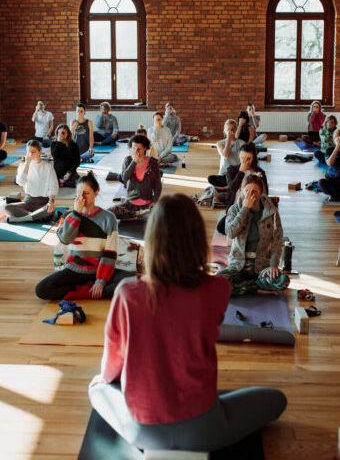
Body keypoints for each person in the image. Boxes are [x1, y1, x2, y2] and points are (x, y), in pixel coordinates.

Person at [88, 193, 286, 452]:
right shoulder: (218, 290)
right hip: (203, 428)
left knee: (97, 388)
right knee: (276, 400)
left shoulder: (127, 293)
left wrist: (107, 382)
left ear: (153, 241)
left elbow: (112, 365)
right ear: (196, 241)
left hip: (141, 430)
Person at [35, 171, 134, 300]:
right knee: (41, 290)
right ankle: (92, 292)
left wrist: (100, 280)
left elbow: (110, 253)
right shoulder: (68, 216)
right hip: (74, 271)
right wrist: (76, 213)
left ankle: (92, 289)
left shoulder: (109, 218)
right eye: (78, 194)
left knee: (136, 282)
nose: (81, 198)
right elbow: (65, 239)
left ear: (96, 192)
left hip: (99, 270)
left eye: (86, 193)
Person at [216, 173, 290, 296]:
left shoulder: (272, 211)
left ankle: (243, 286)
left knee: (283, 281)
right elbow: (230, 233)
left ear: (261, 192)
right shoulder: (234, 209)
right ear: (241, 191)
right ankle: (255, 289)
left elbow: (277, 241)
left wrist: (273, 265)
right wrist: (244, 209)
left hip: (262, 265)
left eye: (255, 190)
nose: (251, 194)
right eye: (247, 190)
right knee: (217, 283)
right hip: (238, 264)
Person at [216, 143, 268, 234]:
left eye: (248, 159)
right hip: (237, 207)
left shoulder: (260, 172)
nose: (245, 162)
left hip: (255, 207)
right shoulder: (231, 170)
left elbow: (265, 193)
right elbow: (232, 189)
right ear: (239, 156)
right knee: (221, 227)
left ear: (253, 158)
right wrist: (241, 171)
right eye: (242, 158)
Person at [109, 134, 162, 220]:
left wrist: (155, 201)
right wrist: (134, 162)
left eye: (139, 149)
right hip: (130, 204)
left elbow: (157, 184)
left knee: (165, 214)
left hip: (147, 204)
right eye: (134, 148)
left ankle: (137, 215)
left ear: (145, 148)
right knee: (109, 212)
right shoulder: (128, 160)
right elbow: (124, 178)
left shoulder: (153, 162)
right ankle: (138, 214)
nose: (136, 152)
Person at [5, 140, 58, 223]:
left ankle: (22, 218)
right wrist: (27, 163)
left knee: (48, 211)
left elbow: (53, 187)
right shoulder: (23, 166)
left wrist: (51, 202)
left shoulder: (48, 167)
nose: (30, 155)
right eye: (28, 152)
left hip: (43, 203)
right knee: (7, 207)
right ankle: (34, 217)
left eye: (33, 152)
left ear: (40, 151)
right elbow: (20, 182)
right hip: (28, 202)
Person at [208, 119, 243, 189]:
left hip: (236, 174)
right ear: (225, 131)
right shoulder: (220, 143)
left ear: (236, 130)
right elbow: (225, 155)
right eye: (228, 130)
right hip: (224, 175)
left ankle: (227, 187)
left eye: (232, 129)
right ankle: (230, 186)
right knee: (210, 178)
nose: (230, 132)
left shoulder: (241, 143)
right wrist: (228, 141)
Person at [318, 129, 340, 202]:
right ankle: (335, 195)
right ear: (335, 140)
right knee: (321, 183)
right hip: (333, 180)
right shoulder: (330, 150)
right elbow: (330, 163)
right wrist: (337, 148)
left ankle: (335, 196)